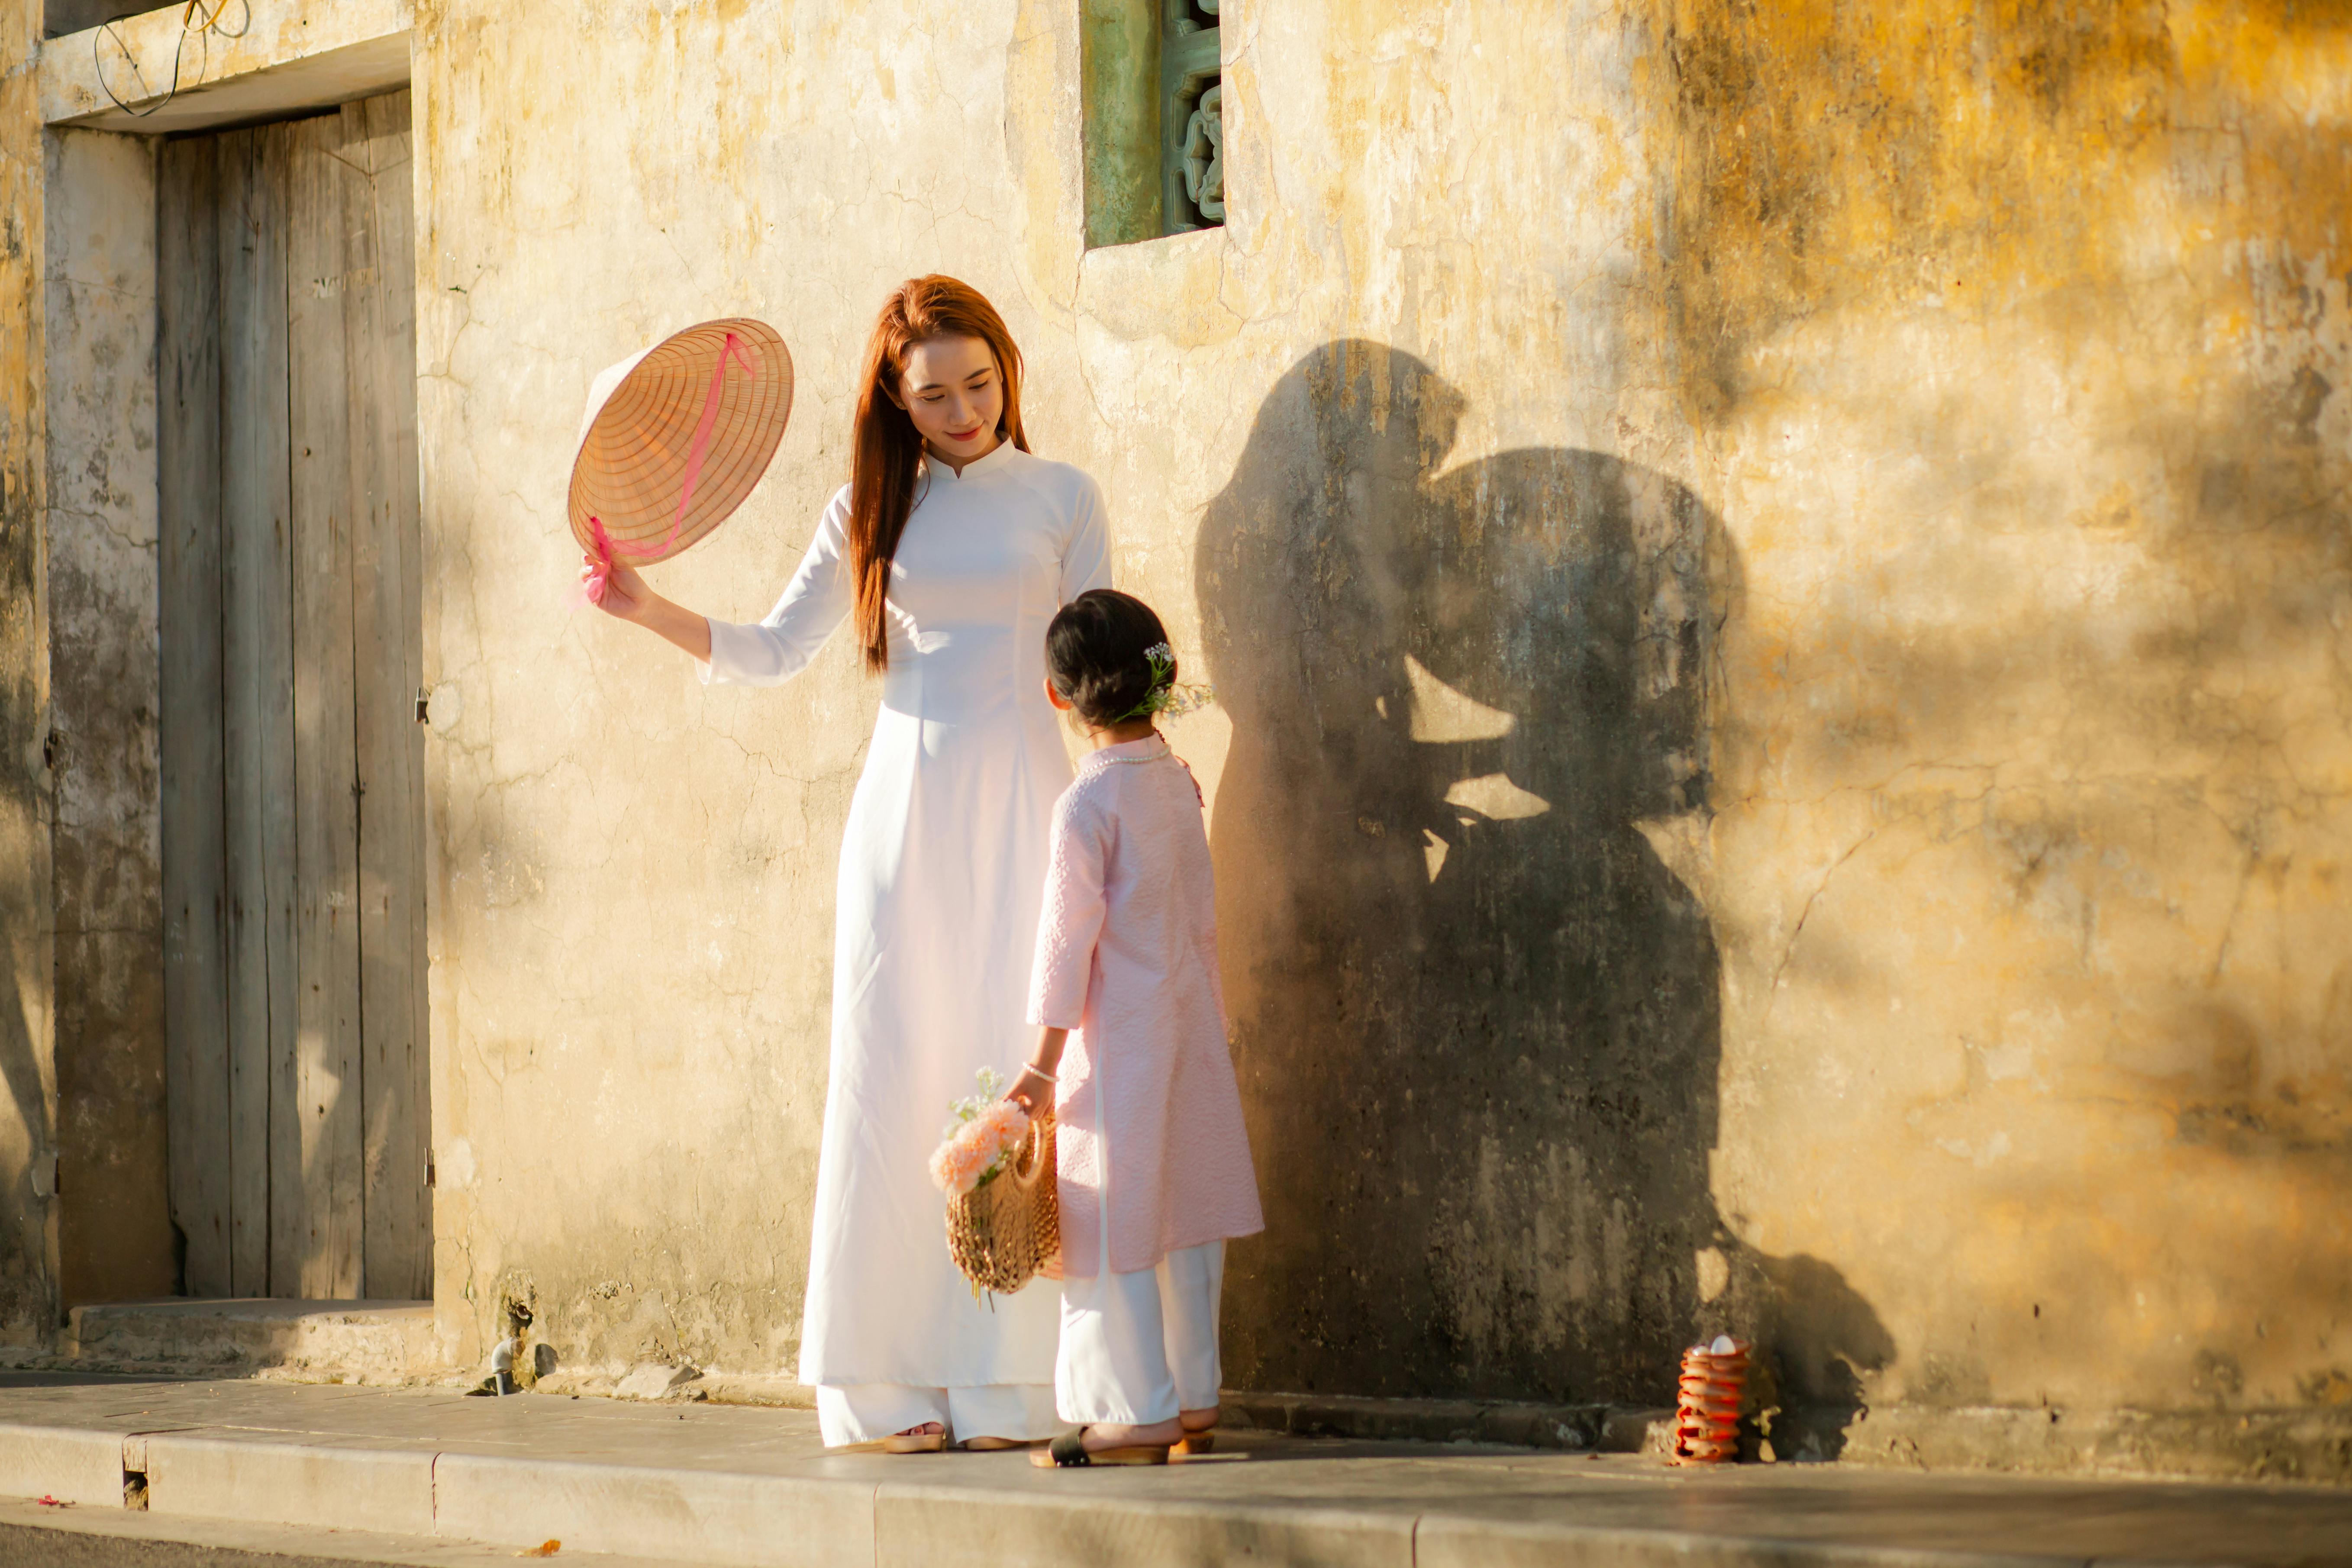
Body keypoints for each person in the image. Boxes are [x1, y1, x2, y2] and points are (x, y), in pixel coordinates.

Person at [585, 277, 1109, 1452]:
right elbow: (774, 650)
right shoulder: (868, 508)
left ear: (1006, 371)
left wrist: (1129, 801)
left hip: (1031, 809)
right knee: (895, 1078)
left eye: (980, 382)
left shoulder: (1065, 495)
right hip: (902, 822)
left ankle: (1016, 1387)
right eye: (935, 393)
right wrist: (643, 603)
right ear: (895, 397)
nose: (964, 408)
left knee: (1019, 1074)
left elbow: (1097, 657)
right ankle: (883, 1386)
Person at [1009, 589, 1265, 1467]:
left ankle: (1132, 1411)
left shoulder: (1087, 806)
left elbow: (1063, 944)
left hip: (1116, 1041)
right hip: (1189, 1027)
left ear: (1058, 697)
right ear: (1162, 677)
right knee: (1186, 1209)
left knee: (1111, 1213)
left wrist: (1040, 1068)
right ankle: (1194, 1400)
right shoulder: (1177, 780)